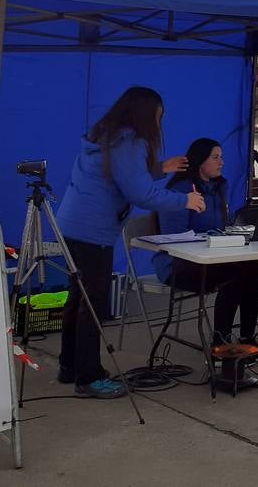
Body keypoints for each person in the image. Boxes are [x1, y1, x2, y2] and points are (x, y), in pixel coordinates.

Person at [54, 86, 196, 399]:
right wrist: (185, 200)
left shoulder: (107, 135)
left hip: (72, 225)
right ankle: (88, 377)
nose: (160, 123)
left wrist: (161, 168)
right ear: (146, 115)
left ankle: (70, 366)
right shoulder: (131, 141)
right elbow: (140, 192)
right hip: (93, 232)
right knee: (93, 304)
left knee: (79, 299)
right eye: (159, 116)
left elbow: (124, 175)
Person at [154, 138, 258, 375]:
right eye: (215, 157)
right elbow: (174, 238)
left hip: (215, 257)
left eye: (222, 157)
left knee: (255, 268)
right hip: (179, 264)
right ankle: (221, 343)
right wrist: (212, 240)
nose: (221, 162)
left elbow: (221, 228)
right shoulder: (179, 191)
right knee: (235, 275)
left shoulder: (218, 188)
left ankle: (247, 337)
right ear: (199, 161)